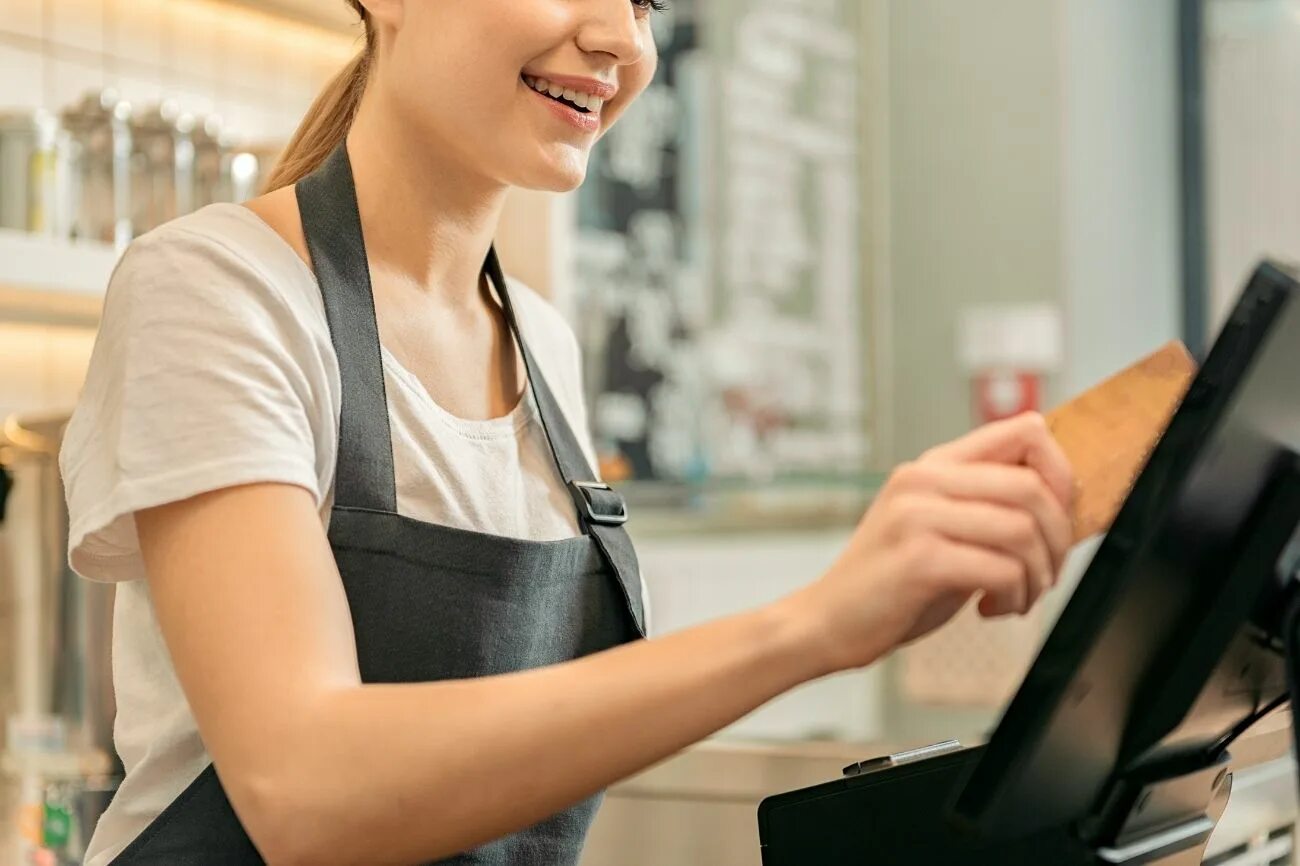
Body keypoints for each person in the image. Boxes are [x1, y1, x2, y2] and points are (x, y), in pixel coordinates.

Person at [60, 1, 1076, 864]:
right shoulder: (217, 290)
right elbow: (303, 785)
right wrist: (813, 626)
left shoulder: (541, 343)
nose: (618, 39)